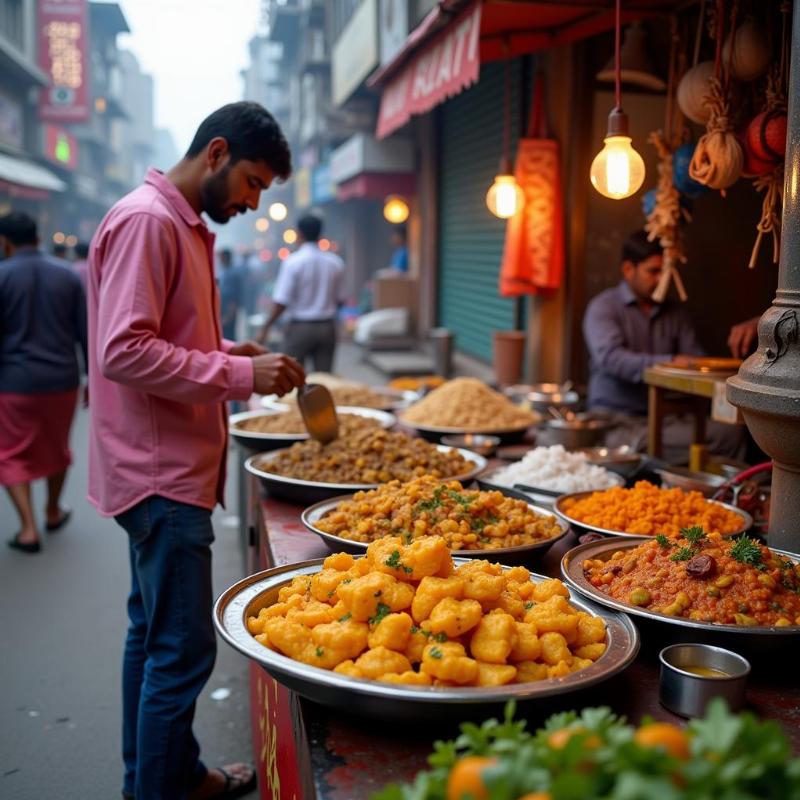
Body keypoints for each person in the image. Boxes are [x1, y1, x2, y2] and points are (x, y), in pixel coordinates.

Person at [87, 101, 306, 800]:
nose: (252, 200)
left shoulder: (179, 225)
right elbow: (123, 350)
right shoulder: (151, 221)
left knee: (152, 640)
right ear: (217, 153)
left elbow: (161, 337)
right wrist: (239, 374)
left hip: (166, 469)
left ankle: (164, 777)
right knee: (179, 654)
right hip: (160, 476)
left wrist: (226, 352)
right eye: (252, 182)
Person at [584, 230, 745, 461]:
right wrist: (670, 363)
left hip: (669, 418)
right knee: (660, 448)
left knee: (731, 433)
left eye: (665, 272)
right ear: (628, 270)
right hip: (616, 420)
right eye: (653, 271)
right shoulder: (603, 307)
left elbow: (695, 358)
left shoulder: (675, 314)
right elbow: (612, 359)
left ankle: (719, 493)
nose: (661, 280)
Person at [0, 212, 87, 554]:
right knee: (57, 448)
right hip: (62, 380)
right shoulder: (66, 276)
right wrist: (92, 378)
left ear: (5, 242)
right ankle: (52, 511)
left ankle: (28, 528)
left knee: (10, 453)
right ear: (38, 237)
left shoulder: (2, 275)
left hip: (13, 382)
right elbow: (85, 331)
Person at [256, 213, 346, 372]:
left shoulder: (293, 262)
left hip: (299, 327)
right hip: (327, 327)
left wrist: (266, 328)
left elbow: (281, 301)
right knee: (323, 379)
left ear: (299, 233)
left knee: (291, 377)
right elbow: (340, 300)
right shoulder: (335, 262)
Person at [216, 248, 241, 341]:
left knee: (228, 338)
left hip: (228, 313)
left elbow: (233, 297)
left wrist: (229, 315)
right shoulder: (225, 272)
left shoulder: (232, 274)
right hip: (224, 311)